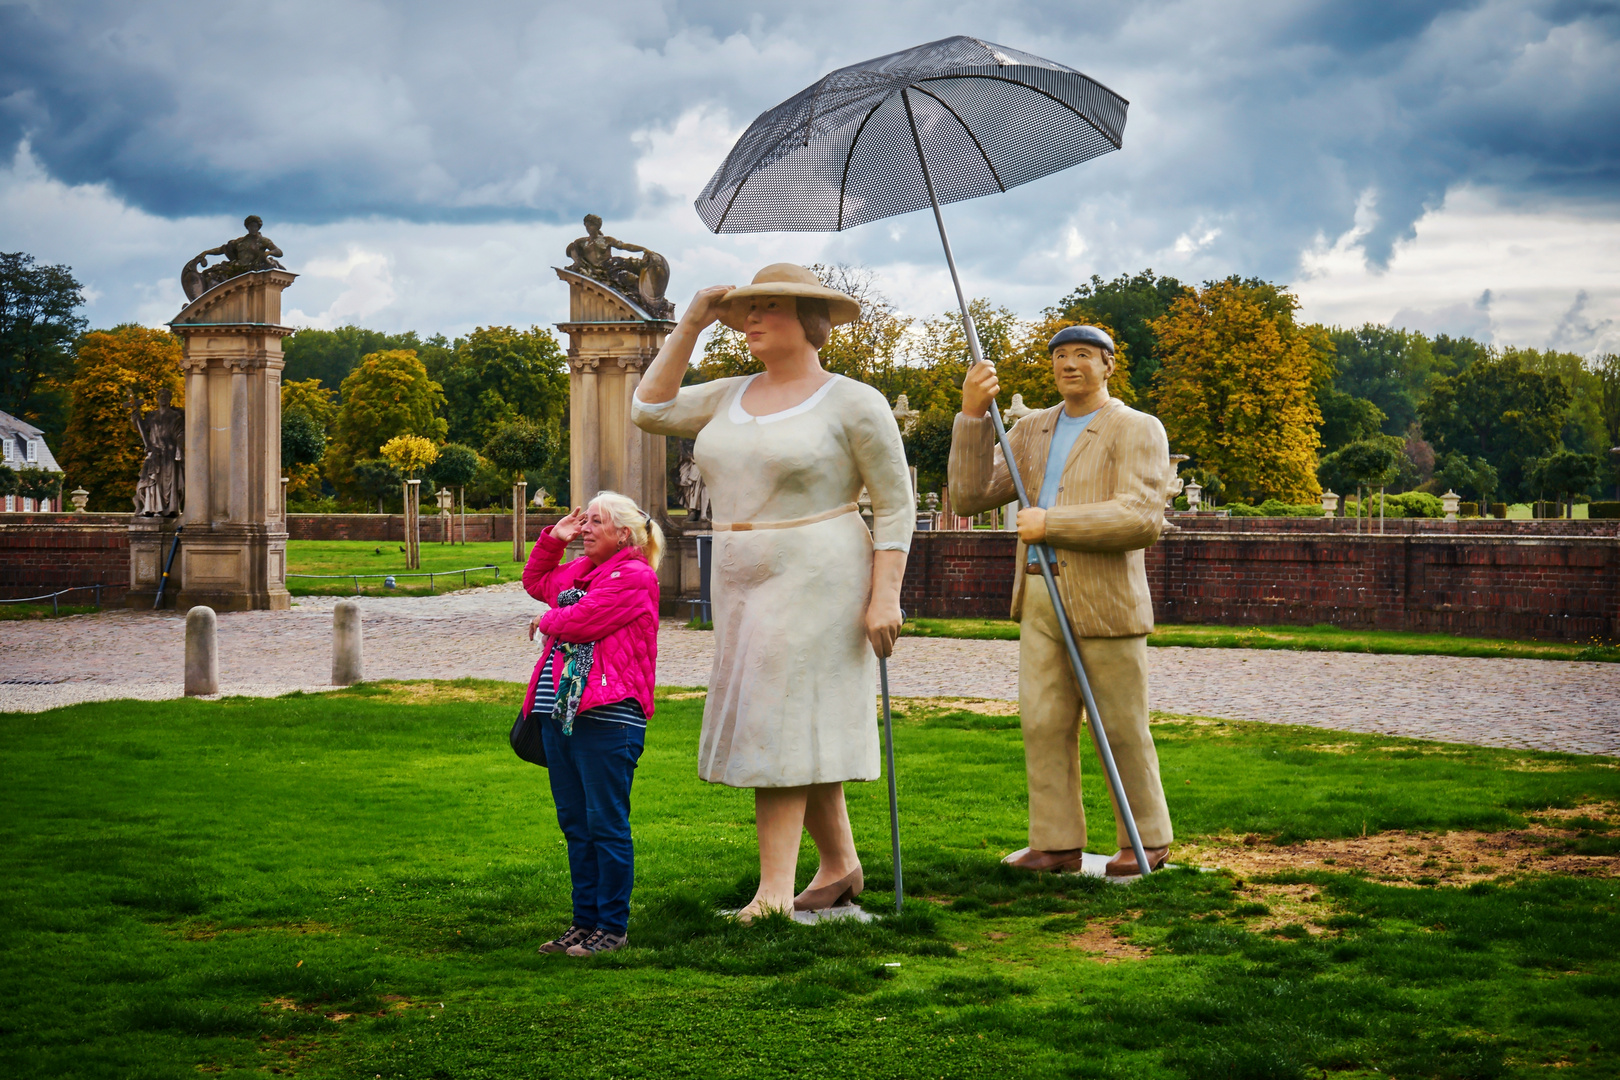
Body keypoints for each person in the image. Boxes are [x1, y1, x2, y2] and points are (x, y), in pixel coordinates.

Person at [630, 263, 914, 921]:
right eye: (748, 310)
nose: (753, 321)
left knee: (776, 720)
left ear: (810, 322)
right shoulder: (729, 394)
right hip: (737, 570)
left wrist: (885, 595)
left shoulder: (854, 401)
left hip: (819, 567)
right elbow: (647, 409)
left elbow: (894, 507)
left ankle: (774, 894)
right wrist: (693, 322)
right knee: (796, 718)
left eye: (771, 309)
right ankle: (841, 867)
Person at [948, 325, 1176, 877]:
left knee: (1120, 724)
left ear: (1108, 365)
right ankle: (1055, 843)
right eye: (1059, 356)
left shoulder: (1136, 429)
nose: (1068, 365)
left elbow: (1142, 517)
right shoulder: (1031, 429)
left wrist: (1053, 523)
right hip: (1040, 595)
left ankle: (1147, 839)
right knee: (1043, 721)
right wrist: (973, 418)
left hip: (1104, 598)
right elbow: (970, 495)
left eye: (1082, 355)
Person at [523, 491, 663, 956]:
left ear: (623, 533)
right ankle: (583, 924)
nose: (585, 528)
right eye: (584, 522)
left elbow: (583, 620)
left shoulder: (634, 576)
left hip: (608, 716)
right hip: (562, 714)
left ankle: (612, 927)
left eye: (595, 522)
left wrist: (548, 619)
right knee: (575, 826)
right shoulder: (584, 572)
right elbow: (536, 580)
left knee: (605, 824)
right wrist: (554, 540)